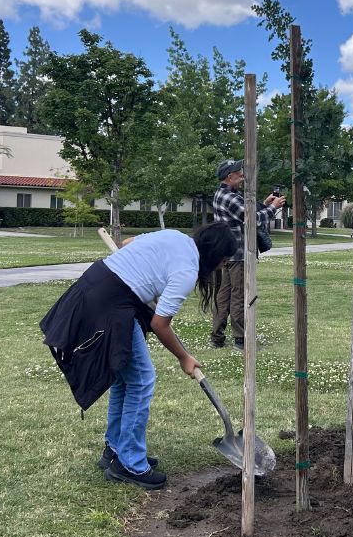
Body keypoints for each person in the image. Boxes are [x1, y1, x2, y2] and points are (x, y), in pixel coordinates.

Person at [40, 223, 239, 490]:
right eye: (224, 261)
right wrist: (184, 357)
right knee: (141, 379)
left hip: (96, 285)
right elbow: (160, 324)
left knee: (126, 379)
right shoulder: (187, 271)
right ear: (215, 255)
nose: (222, 267)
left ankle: (115, 449)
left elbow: (127, 243)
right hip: (111, 304)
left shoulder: (174, 236)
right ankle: (130, 464)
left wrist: (144, 274)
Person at [210, 160, 285, 350]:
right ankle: (241, 339)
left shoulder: (222, 194)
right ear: (230, 177)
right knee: (239, 296)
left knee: (223, 295)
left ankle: (217, 336)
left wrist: (264, 204)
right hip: (238, 255)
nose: (242, 176)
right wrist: (273, 208)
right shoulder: (231, 197)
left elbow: (246, 210)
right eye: (239, 173)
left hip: (226, 254)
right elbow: (251, 219)